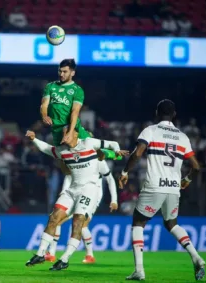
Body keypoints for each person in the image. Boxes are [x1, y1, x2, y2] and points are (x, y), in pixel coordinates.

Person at [118, 99, 205, 281]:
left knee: (138, 223)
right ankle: (196, 256)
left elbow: (138, 154)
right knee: (172, 224)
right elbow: (196, 166)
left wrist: (125, 171)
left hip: (154, 185)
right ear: (174, 115)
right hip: (173, 188)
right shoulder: (183, 137)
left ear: (156, 113)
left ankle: (139, 270)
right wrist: (187, 179)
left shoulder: (150, 131)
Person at [25, 128, 128, 271]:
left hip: (89, 189)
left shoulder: (88, 143)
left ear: (75, 134)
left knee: (78, 221)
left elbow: (112, 143)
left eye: (66, 132)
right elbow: (46, 148)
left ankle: (65, 259)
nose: (63, 135)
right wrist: (34, 139)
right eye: (63, 133)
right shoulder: (62, 151)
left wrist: (116, 151)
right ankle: (41, 253)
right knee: (54, 218)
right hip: (72, 189)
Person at [40, 59, 119, 173]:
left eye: (65, 71)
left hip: (74, 128)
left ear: (72, 73)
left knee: (95, 151)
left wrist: (71, 132)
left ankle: (110, 153)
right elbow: (44, 104)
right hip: (57, 130)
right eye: (60, 71)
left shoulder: (77, 90)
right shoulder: (50, 86)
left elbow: (75, 112)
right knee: (65, 168)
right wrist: (44, 115)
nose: (61, 74)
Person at [45, 150, 118, 264]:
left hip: (93, 196)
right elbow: (69, 176)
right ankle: (52, 253)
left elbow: (110, 179)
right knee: (57, 220)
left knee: (82, 225)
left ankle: (89, 255)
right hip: (75, 193)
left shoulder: (98, 161)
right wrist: (65, 190)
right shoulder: (76, 159)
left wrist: (114, 200)